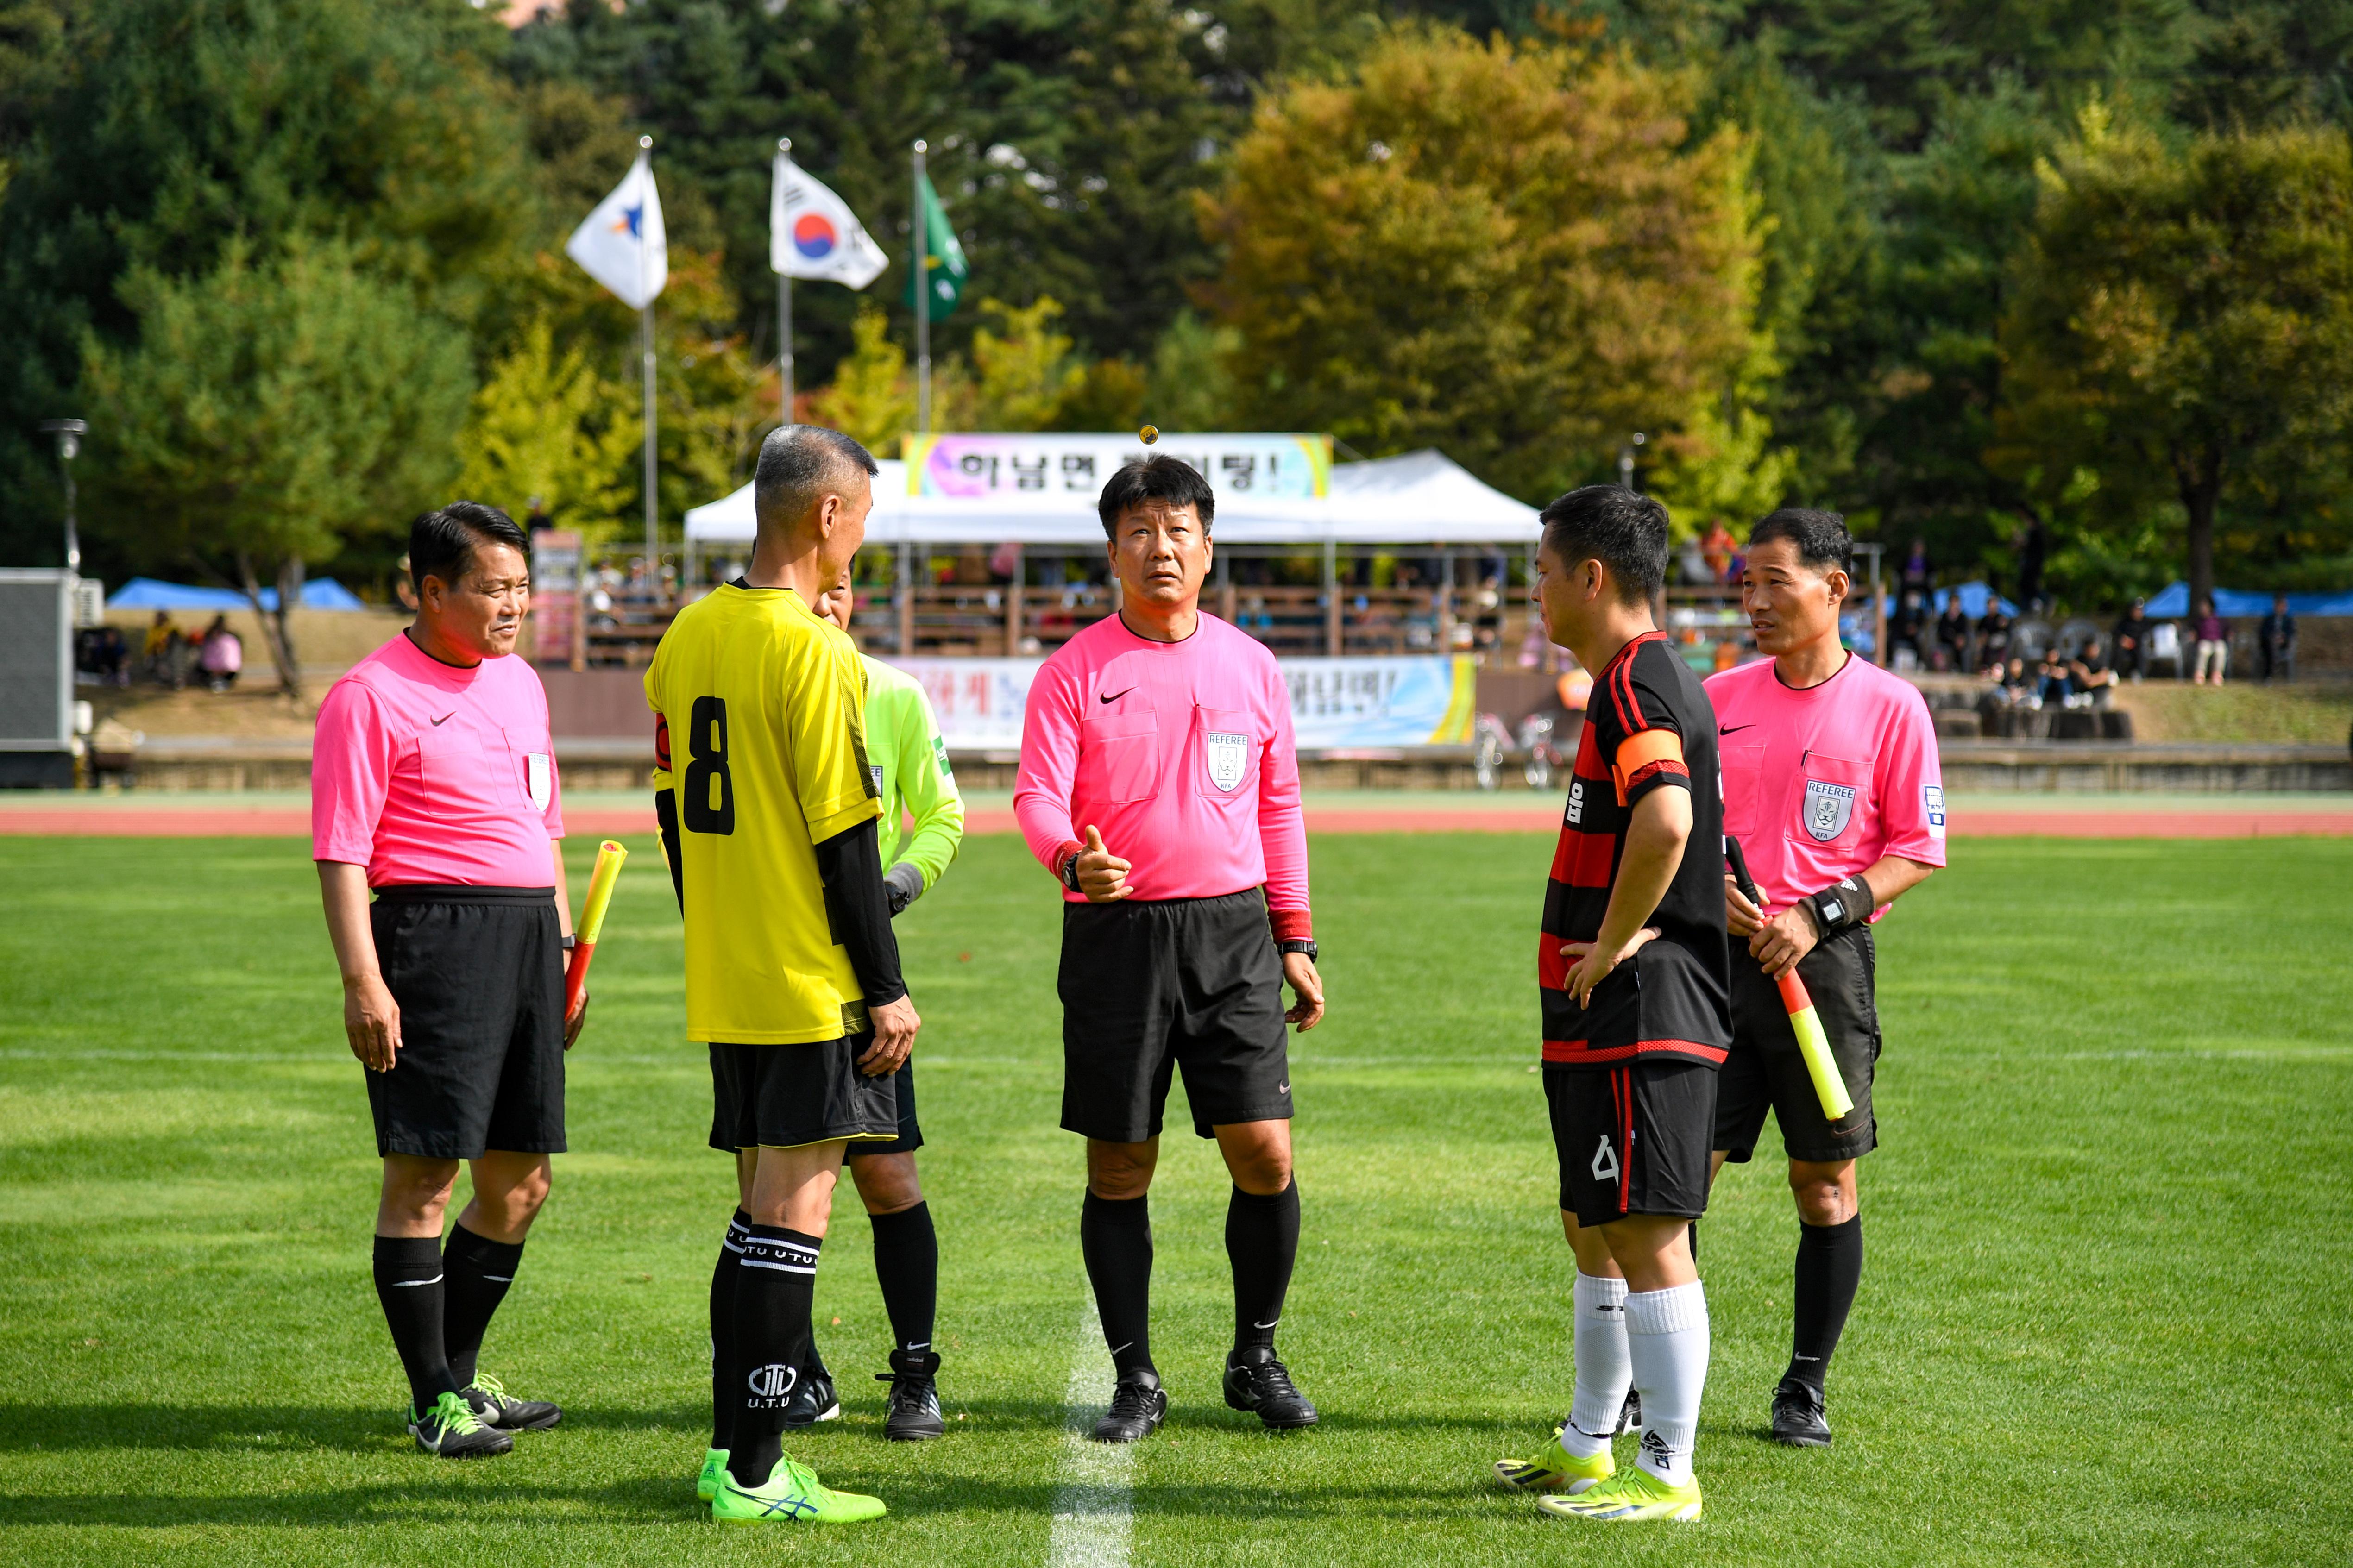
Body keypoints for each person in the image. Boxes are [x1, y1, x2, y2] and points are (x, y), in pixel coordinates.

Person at [1012, 454, 1327, 1446]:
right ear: (1112, 551)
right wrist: (1071, 858)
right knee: (1120, 1166)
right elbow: (1034, 796)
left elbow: (1277, 805)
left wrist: (1295, 934)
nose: (1161, 547)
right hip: (1117, 938)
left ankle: (1256, 1354)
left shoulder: (1250, 665)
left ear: (1206, 548)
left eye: (1178, 530)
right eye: (1140, 531)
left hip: (1233, 932)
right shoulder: (1072, 671)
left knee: (1264, 1153)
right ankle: (1135, 1374)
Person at [646, 425, 913, 1527]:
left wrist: (715, 921)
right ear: (827, 517)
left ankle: (730, 1453)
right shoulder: (813, 650)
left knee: (756, 1214)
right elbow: (846, 845)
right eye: (863, 521)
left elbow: (670, 811)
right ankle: (757, 1469)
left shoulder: (688, 632)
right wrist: (885, 983)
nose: (862, 544)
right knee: (791, 1217)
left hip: (732, 974)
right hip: (809, 980)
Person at [311, 502, 582, 1461]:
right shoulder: (367, 695)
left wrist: (562, 953)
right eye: (491, 588)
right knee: (425, 1174)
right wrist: (364, 982)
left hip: (525, 941)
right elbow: (341, 853)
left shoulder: (519, 685)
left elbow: (544, 824)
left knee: (521, 1183)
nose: (514, 605)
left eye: (520, 587)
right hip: (429, 939)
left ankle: (459, 1380)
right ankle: (434, 1400)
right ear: (430, 591)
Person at [1490, 485, 1727, 1525]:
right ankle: (1591, 1445)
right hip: (1604, 1010)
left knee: (1644, 1231)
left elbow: (1668, 819)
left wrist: (1627, 930)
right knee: (1593, 1223)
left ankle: (1666, 1469)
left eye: (1542, 570)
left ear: (1591, 576)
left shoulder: (1635, 682)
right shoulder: (1636, 680)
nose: (1532, 591)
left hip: (1642, 1005)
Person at [1703, 508, 1944, 1448]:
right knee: (1682, 1180)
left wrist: (1818, 914)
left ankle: (1802, 1386)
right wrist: (1702, 890)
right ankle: (1649, 1377)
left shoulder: (1892, 706)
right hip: (1712, 966)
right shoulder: (1714, 694)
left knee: (1824, 1185)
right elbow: (1672, 825)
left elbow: (1916, 851)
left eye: (1773, 582)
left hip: (1824, 971)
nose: (1754, 602)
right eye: (1744, 586)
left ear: (1833, 587)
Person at [779, 569, 967, 1442]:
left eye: (842, 589)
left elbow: (942, 816)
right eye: (813, 589)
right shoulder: (761, 692)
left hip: (863, 975)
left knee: (888, 1176)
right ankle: (796, 1368)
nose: (828, 603)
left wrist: (891, 884)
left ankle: (915, 1373)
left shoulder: (892, 694)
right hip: (774, 973)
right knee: (780, 1188)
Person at [2258, 594, 2297, 684]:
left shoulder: (2289, 621)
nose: (2281, 608)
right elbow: (2263, 632)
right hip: (2268, 644)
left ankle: (2269, 675)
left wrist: (2283, 638)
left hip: (2283, 645)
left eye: (2283, 606)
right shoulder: (2268, 619)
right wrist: (2272, 638)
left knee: (2273, 648)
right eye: (2279, 606)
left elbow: (2291, 633)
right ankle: (2270, 675)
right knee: (2271, 646)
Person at [199, 614, 242, 692]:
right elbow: (206, 659)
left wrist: (222, 669)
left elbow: (232, 661)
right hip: (213, 672)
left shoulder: (229, 641)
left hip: (227, 672)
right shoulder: (210, 642)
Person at [2111, 599, 2151, 682]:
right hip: (2125, 646)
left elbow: (2147, 635)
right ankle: (2115, 674)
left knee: (2141, 651)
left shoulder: (2146, 622)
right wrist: (2123, 639)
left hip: (2138, 646)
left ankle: (2138, 674)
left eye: (2140, 610)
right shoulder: (2125, 621)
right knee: (2118, 651)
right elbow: (2115, 632)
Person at [2067, 637, 2118, 702]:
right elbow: (2072, 665)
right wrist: (2081, 670)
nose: (2095, 650)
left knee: (2105, 685)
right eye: (2092, 648)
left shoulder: (2101, 660)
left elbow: (2104, 674)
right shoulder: (2080, 659)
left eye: (2096, 648)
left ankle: (2090, 698)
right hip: (2082, 688)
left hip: (2095, 688)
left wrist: (2091, 680)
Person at [2191, 598, 2228, 684]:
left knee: (2221, 651)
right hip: (2204, 641)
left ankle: (2217, 675)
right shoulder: (2198, 621)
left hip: (2218, 641)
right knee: (2203, 650)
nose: (2203, 608)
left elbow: (2228, 631)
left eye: (2205, 606)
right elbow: (2193, 632)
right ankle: (2200, 674)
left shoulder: (2219, 620)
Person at [1933, 598, 1971, 673]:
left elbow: (1965, 633)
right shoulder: (1944, 616)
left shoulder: (1962, 618)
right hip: (1945, 642)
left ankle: (1957, 667)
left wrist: (1960, 639)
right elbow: (1941, 632)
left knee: (1960, 646)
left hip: (1958, 645)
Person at [1975, 604, 2013, 677]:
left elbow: (2007, 633)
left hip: (2000, 644)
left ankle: (1999, 668)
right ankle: (1985, 668)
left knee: (1998, 643)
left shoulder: (2000, 618)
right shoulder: (1985, 619)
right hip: (1987, 645)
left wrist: (2004, 626)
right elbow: (1979, 632)